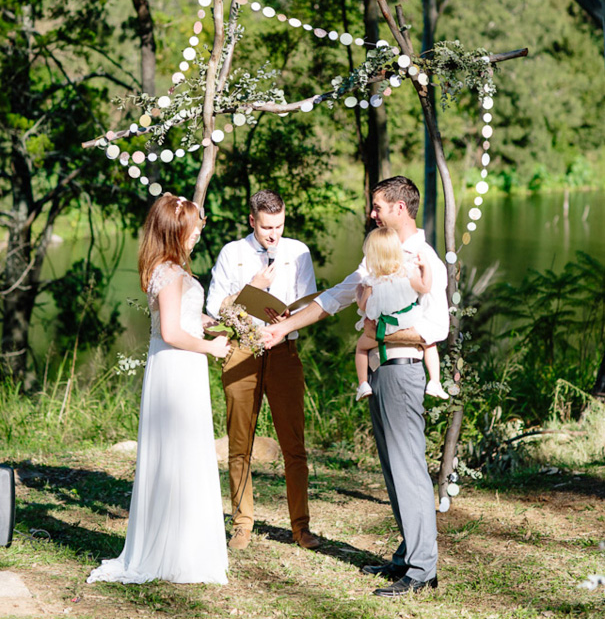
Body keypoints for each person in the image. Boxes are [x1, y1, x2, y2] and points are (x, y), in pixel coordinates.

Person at [265, 176, 449, 596]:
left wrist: (379, 336)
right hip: (381, 371)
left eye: (378, 206)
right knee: (392, 469)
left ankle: (422, 570)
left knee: (408, 469)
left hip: (403, 371)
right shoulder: (379, 258)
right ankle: (408, 557)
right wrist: (284, 329)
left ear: (400, 209)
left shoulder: (425, 260)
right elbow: (335, 297)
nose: (372, 213)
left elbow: (435, 328)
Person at [87, 194, 231, 585]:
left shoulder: (166, 270)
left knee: (184, 451)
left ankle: (183, 541)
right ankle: (175, 551)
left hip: (179, 365)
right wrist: (211, 347)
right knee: (178, 452)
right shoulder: (168, 274)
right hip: (177, 367)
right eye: (194, 227)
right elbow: (170, 331)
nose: (200, 231)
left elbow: (185, 317)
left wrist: (219, 323)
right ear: (174, 231)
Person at [206, 189, 320, 552]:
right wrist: (251, 290)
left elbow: (312, 301)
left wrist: (291, 317)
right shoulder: (232, 253)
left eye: (280, 225)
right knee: (240, 443)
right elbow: (212, 307)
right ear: (252, 220)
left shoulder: (298, 251)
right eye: (267, 226)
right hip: (242, 351)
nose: (274, 233)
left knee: (294, 444)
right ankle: (242, 523)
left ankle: (300, 527)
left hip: (284, 350)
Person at [354, 226, 448, 402]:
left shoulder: (371, 280)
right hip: (407, 323)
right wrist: (425, 266)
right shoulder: (408, 273)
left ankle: (363, 383)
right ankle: (435, 381)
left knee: (360, 347)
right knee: (429, 344)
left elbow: (364, 305)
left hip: (382, 328)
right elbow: (425, 287)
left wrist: (359, 290)